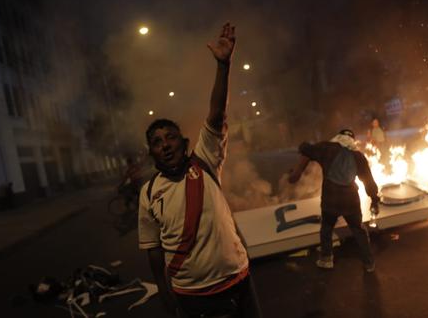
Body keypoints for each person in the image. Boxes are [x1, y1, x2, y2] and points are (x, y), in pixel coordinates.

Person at [138, 23, 261, 318]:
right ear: (151, 152)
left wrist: (223, 66)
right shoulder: (150, 193)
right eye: (157, 142)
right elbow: (153, 250)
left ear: (184, 142)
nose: (165, 145)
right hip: (194, 298)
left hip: (240, 281)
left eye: (170, 138)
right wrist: (166, 296)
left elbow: (217, 114)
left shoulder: (204, 160)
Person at [288, 129, 380, 272]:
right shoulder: (358, 156)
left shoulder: (326, 148)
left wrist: (298, 168)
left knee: (326, 228)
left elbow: (306, 148)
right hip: (351, 202)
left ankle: (326, 259)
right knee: (358, 230)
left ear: (338, 137)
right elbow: (368, 181)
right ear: (352, 140)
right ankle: (369, 263)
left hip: (330, 201)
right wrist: (374, 199)